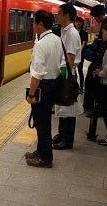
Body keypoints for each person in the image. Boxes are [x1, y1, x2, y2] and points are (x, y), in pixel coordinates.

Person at [25, 10, 63, 168]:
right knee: (44, 122)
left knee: (42, 124)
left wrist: (31, 94)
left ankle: (45, 158)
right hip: (53, 84)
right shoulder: (56, 39)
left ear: (40, 24)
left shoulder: (41, 44)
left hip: (43, 87)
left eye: (35, 23)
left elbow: (38, 74)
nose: (33, 25)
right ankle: (40, 151)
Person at [52, 4, 83, 150]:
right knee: (62, 106)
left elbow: (70, 59)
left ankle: (67, 140)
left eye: (59, 13)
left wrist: (62, 78)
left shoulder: (71, 34)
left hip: (67, 74)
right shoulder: (64, 31)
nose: (57, 15)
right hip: (64, 72)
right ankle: (61, 134)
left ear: (67, 15)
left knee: (68, 108)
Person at [83, 4, 107, 114]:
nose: (95, 19)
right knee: (91, 84)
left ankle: (91, 107)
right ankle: (90, 106)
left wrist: (99, 66)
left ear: (99, 15)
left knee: (92, 84)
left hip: (99, 61)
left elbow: (103, 46)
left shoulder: (106, 25)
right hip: (98, 60)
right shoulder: (106, 23)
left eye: (95, 17)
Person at [74, 16, 88, 92]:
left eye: (79, 22)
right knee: (73, 71)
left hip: (80, 54)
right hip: (73, 53)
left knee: (80, 70)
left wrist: (79, 51)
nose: (78, 23)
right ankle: (75, 85)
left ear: (82, 23)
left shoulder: (84, 33)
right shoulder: (73, 32)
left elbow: (84, 43)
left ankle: (81, 86)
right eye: (76, 22)